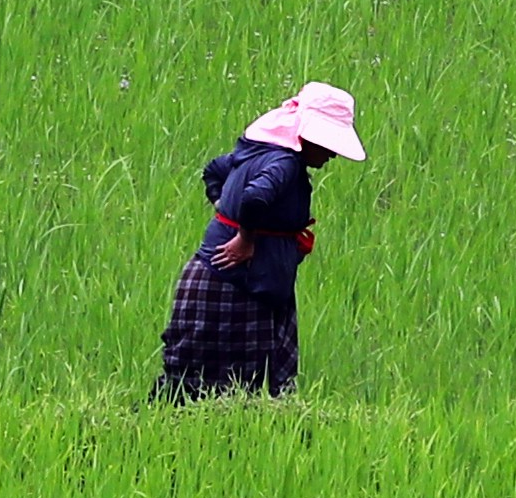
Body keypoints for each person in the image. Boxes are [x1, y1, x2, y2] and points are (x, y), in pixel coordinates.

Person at [154, 83, 361, 401]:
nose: (332, 154)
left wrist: (224, 207)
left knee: (209, 385)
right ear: (305, 135)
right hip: (236, 284)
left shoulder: (259, 154)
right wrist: (244, 239)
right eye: (328, 144)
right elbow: (253, 198)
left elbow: (214, 171)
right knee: (228, 388)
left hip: (234, 280)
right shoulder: (284, 164)